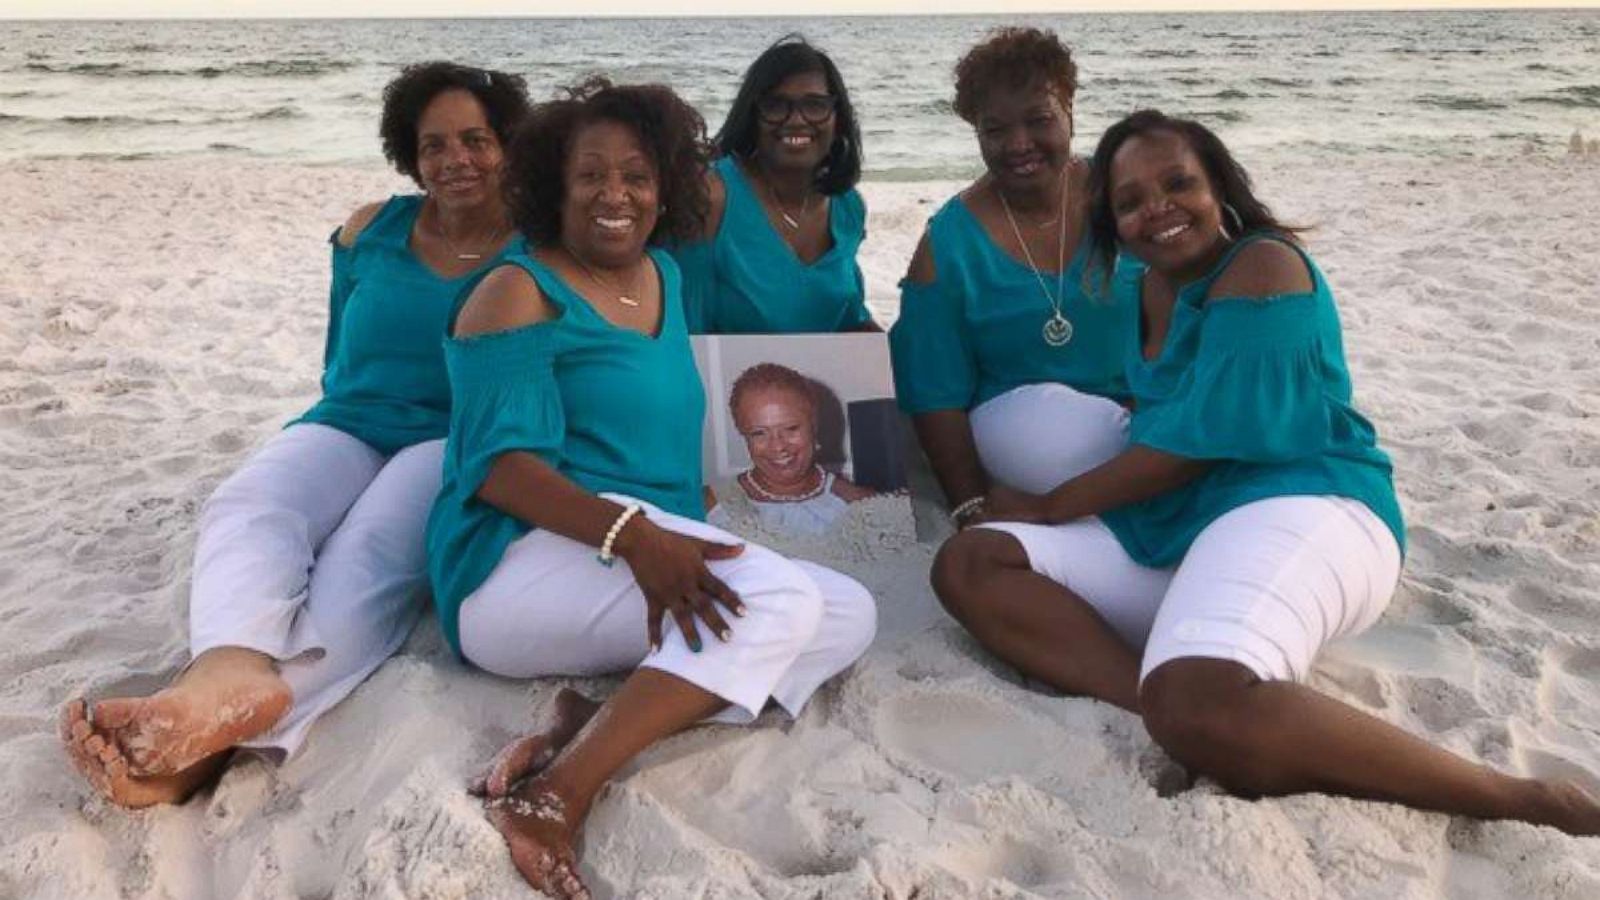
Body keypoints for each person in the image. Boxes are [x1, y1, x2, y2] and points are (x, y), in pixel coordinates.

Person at [930, 109, 1600, 835]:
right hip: (1184, 522)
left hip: (1304, 504)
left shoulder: (1262, 266)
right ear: (1112, 221)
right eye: (1129, 200)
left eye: (1178, 182)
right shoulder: (1142, 288)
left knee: (1198, 696)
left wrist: (1052, 504)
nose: (1156, 207)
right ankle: (1155, 702)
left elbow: (1194, 445)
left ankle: (1516, 799)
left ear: (1220, 185)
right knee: (972, 563)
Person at [425, 77, 878, 898]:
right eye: (590, 174)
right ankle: (556, 794)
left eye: (636, 175)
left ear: (665, 185)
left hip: (631, 542)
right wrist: (635, 538)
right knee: (777, 605)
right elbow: (496, 470)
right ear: (551, 185)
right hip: (517, 563)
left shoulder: (663, 274)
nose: (615, 195)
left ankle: (582, 722)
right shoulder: (517, 289)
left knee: (849, 613)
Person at [59, 62, 530, 808]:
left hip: (452, 438)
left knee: (366, 551)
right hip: (349, 421)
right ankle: (226, 672)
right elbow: (341, 353)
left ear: (510, 144)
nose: (456, 160)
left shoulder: (538, 247)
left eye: (476, 140)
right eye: (434, 144)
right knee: (248, 506)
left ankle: (203, 750)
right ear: (410, 154)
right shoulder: (368, 228)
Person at [888, 27, 1136, 530]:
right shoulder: (949, 245)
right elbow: (935, 395)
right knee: (1066, 438)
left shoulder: (1120, 197)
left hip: (1139, 419)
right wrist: (968, 506)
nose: (1019, 145)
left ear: (1070, 109)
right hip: (1025, 435)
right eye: (995, 130)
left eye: (1039, 120)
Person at [674, 35, 876, 334]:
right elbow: (683, 325)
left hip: (820, 380)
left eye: (815, 105)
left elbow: (852, 320)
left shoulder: (848, 207)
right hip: (725, 380)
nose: (796, 120)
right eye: (776, 105)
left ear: (838, 119)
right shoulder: (712, 197)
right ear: (752, 116)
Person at [706, 362, 875, 537]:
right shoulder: (708, 505)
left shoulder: (862, 506)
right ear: (743, 433)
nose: (778, 446)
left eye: (791, 428)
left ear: (813, 425)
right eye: (759, 433)